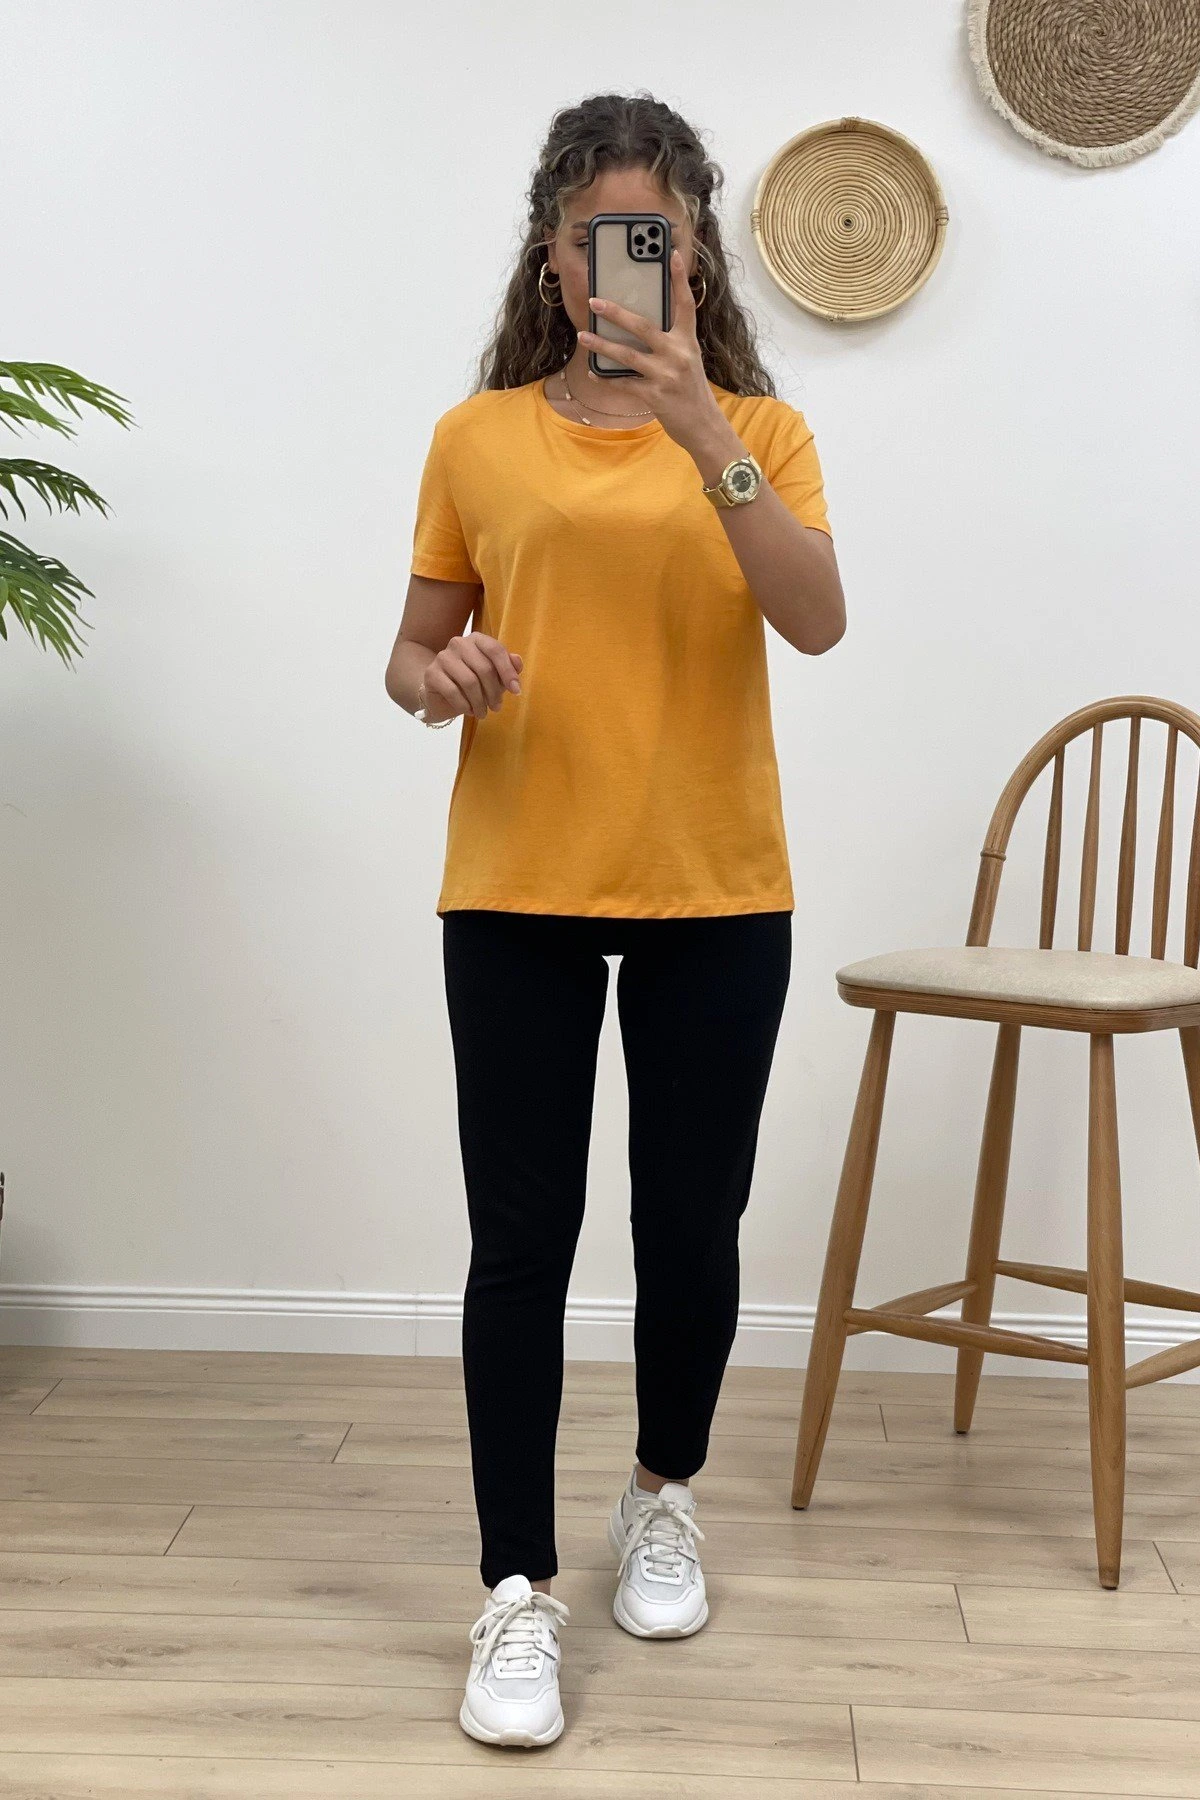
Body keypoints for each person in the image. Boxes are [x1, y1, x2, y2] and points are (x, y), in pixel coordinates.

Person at [384, 91, 844, 1750]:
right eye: (597, 238)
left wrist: (700, 423)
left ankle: (663, 1494)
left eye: (657, 235)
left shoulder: (760, 432)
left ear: (696, 256)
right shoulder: (476, 437)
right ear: (552, 255)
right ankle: (514, 1588)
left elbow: (816, 619)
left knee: (690, 1225)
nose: (625, 264)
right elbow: (409, 654)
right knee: (521, 1241)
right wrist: (442, 676)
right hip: (516, 880)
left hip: (713, 881)